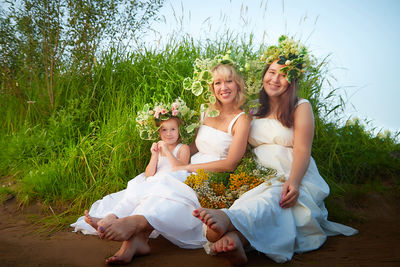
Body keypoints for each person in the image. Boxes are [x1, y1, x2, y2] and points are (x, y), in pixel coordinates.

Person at [193, 36, 358, 265]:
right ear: (264, 75)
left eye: (283, 75)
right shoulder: (253, 109)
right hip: (259, 173)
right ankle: (237, 239)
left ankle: (227, 220)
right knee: (256, 202)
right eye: (271, 72)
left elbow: (302, 149)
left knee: (275, 199)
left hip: (291, 171)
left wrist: (295, 182)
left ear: (292, 81)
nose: (275, 79)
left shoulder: (301, 106)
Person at [71, 63, 251, 264]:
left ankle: (135, 228)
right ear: (211, 87)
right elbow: (193, 148)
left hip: (214, 173)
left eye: (229, 81)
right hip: (190, 167)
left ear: (238, 84)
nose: (223, 87)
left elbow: (230, 164)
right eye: (218, 82)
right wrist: (167, 149)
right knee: (159, 180)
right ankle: (136, 240)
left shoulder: (242, 119)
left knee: (173, 185)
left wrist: (186, 168)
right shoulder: (206, 112)